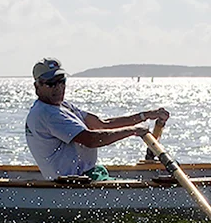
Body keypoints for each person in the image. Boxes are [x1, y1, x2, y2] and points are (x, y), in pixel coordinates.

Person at [25, 57, 169, 180]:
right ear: (37, 86)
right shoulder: (47, 114)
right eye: (51, 83)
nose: (58, 87)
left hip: (85, 176)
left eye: (62, 81)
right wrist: (134, 131)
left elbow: (102, 124)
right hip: (70, 184)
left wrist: (146, 115)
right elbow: (91, 140)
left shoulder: (63, 106)